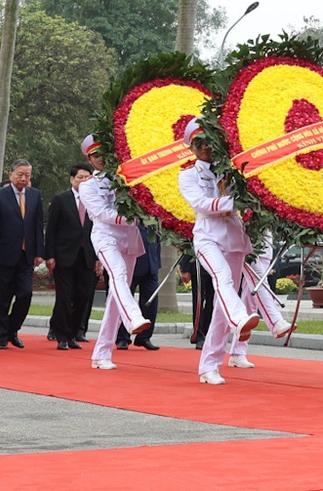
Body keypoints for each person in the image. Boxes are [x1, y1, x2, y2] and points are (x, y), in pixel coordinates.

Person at [178, 117, 260, 383]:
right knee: (222, 279)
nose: (205, 147)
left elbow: (249, 196)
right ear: (190, 148)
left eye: (209, 142)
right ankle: (239, 320)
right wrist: (232, 201)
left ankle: (208, 366)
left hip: (234, 238)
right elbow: (202, 204)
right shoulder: (187, 175)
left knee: (220, 305)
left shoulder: (231, 171)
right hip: (207, 237)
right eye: (198, 143)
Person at [77, 134, 152, 370]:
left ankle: (101, 353)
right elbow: (102, 213)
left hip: (129, 238)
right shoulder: (88, 185)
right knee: (117, 275)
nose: (100, 159)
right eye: (95, 156)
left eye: (103, 154)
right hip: (105, 236)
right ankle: (133, 317)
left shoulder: (127, 178)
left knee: (116, 295)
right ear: (89, 159)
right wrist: (130, 217)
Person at [0, 159, 44, 349]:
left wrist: (39, 253)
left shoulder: (35, 195)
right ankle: (1, 334)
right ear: (10, 174)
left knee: (25, 294)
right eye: (20, 175)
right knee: (1, 298)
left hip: (26, 254)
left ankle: (12, 328)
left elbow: (37, 225)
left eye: (27, 175)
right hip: (4, 254)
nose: (23, 179)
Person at [45, 162, 99, 350]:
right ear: (72, 179)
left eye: (87, 178)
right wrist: (49, 255)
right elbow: (51, 230)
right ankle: (62, 336)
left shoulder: (95, 201)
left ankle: (74, 333)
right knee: (64, 297)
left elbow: (99, 230)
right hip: (64, 256)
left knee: (83, 296)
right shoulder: (61, 200)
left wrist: (99, 257)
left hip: (86, 257)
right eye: (80, 178)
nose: (84, 181)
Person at [226, 243, 295, 368]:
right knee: (258, 281)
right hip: (247, 238)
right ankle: (275, 321)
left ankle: (238, 352)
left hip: (265, 238)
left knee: (251, 297)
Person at [115, 224, 164, 350]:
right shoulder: (130, 219)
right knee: (126, 300)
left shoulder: (152, 218)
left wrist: (157, 262)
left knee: (151, 302)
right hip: (133, 265)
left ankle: (144, 337)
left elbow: (157, 239)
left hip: (150, 266)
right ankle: (122, 338)